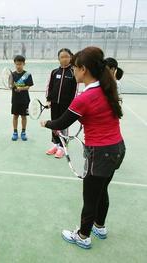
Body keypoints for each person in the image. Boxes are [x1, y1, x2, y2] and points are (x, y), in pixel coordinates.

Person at [41, 47, 126, 249]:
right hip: (118, 149)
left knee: (90, 197)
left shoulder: (85, 98)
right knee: (102, 190)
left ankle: (83, 235)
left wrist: (46, 123)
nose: (74, 71)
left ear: (84, 70)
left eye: (76, 67)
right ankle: (100, 226)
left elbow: (61, 122)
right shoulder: (108, 87)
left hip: (100, 152)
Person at [46, 48, 77, 158]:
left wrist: (73, 104)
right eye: (62, 57)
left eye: (66, 56)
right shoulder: (54, 72)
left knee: (63, 125)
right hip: (54, 103)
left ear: (71, 57)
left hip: (67, 105)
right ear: (58, 58)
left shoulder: (73, 72)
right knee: (54, 124)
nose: (64, 59)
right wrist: (48, 99)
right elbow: (49, 87)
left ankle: (63, 147)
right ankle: (55, 144)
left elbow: (75, 90)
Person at [11, 55, 34, 141]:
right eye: (17, 64)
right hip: (15, 100)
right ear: (15, 64)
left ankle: (23, 132)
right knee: (15, 116)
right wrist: (12, 85)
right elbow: (10, 85)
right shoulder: (12, 75)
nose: (18, 66)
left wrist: (21, 88)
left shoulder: (27, 74)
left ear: (24, 64)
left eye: (20, 64)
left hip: (25, 99)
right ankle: (15, 132)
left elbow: (28, 87)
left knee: (24, 116)